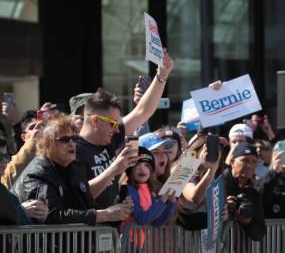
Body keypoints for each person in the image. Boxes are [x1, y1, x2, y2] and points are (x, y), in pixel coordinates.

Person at [77, 51, 174, 208]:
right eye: (112, 124)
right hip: (86, 230)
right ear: (95, 121)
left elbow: (143, 112)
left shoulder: (110, 138)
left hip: (110, 229)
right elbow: (79, 196)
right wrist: (113, 170)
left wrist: (161, 76)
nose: (117, 130)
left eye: (118, 124)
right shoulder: (72, 149)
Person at [12, 114, 133, 225]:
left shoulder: (75, 168)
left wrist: (117, 209)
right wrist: (104, 215)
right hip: (43, 247)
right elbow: (52, 216)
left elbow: (85, 207)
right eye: (64, 140)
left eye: (74, 138)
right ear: (47, 144)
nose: (71, 143)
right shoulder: (38, 174)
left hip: (74, 246)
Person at [222, 142, 266, 241]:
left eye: (254, 161)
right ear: (232, 162)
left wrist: (246, 220)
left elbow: (259, 234)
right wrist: (223, 205)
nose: (249, 165)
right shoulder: (218, 183)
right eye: (245, 160)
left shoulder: (253, 191)